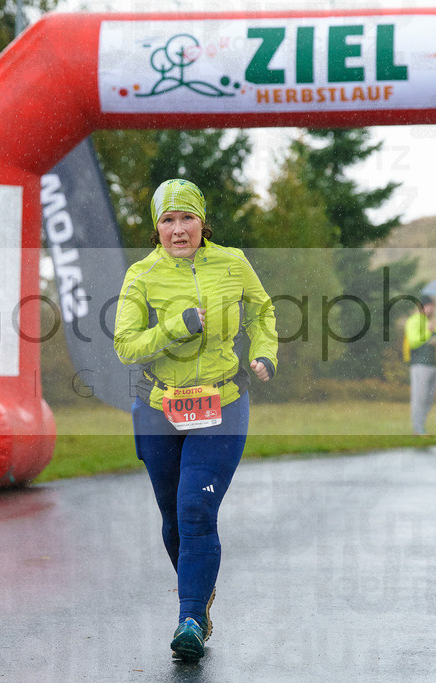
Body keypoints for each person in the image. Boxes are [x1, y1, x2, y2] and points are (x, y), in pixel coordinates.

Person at [113, 179, 277, 662]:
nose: (178, 229)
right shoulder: (141, 275)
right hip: (159, 407)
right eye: (168, 220)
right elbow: (125, 346)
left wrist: (265, 352)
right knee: (174, 521)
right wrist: (175, 325)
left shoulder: (232, 261)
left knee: (196, 511)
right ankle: (198, 601)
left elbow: (263, 312)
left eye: (187, 218)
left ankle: (189, 620)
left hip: (221, 404)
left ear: (203, 222)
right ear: (156, 228)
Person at [405, 295, 436, 435]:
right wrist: (428, 332)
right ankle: (417, 428)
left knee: (429, 398)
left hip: (433, 363)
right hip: (420, 364)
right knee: (420, 396)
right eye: (429, 306)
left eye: (433, 306)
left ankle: (422, 425)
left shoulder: (431, 322)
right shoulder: (414, 321)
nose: (431, 309)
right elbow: (413, 342)